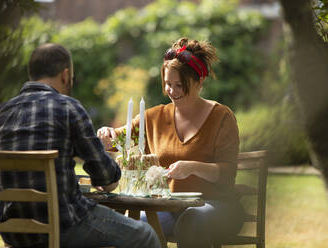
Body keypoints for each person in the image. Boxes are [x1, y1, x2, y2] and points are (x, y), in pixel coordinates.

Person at [0, 43, 160, 248]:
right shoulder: (68, 108)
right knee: (145, 235)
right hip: (66, 225)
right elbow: (108, 179)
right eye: (71, 78)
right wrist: (103, 150)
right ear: (65, 75)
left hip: (15, 234)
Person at [97, 37, 245, 248]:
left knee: (191, 220)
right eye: (168, 84)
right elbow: (118, 140)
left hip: (217, 206)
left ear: (200, 81)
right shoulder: (153, 117)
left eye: (180, 85)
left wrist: (192, 167)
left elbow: (227, 172)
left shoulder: (221, 117)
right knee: (130, 226)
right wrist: (107, 133)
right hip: (169, 209)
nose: (173, 91)